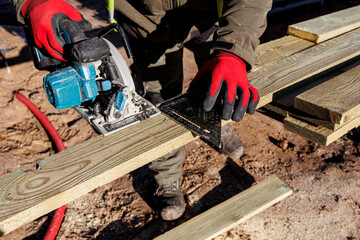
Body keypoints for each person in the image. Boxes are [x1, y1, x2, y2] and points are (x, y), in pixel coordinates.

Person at [12, 0, 272, 221]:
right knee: (157, 101)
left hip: (210, 9)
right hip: (143, 16)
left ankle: (215, 126)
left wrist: (234, 50)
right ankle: (167, 173)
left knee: (216, 82)